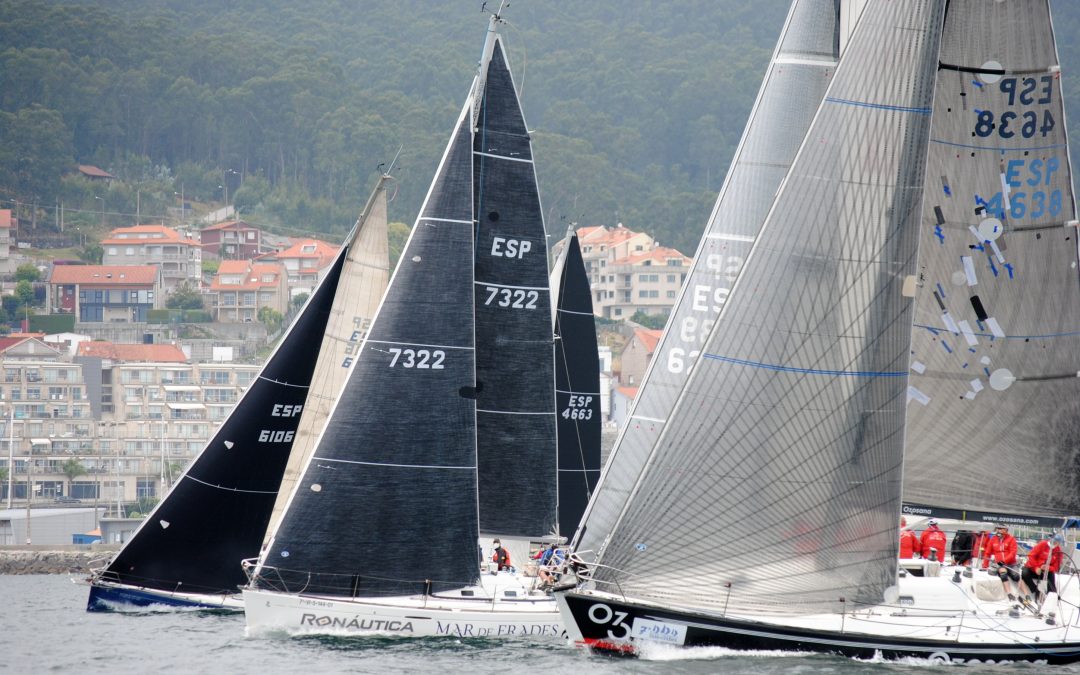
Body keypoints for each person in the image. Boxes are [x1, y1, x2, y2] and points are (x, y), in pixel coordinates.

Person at [1021, 533, 1064, 605]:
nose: (1055, 543)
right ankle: (1035, 591)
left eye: (1057, 542)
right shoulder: (1042, 544)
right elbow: (1031, 556)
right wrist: (1036, 568)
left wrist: (1048, 567)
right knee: (1024, 573)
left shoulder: (1058, 551)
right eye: (1054, 541)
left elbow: (1056, 566)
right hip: (1033, 568)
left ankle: (1052, 597)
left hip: (1046, 571)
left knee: (1051, 578)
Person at [984, 524, 1020, 600]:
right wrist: (985, 565)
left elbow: (1013, 553)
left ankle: (1026, 595)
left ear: (1006, 530)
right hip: (999, 564)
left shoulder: (1011, 539)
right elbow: (987, 553)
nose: (998, 530)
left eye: (1000, 529)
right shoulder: (993, 539)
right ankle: (1009, 593)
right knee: (1003, 574)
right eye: (997, 529)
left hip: (1011, 564)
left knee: (1017, 576)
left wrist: (1004, 561)